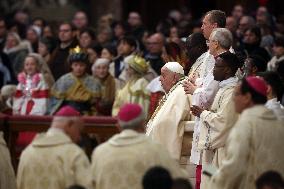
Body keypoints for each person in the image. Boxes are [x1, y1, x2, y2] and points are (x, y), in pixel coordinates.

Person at [208, 77, 284, 189]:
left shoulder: (245, 125)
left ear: (247, 97)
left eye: (236, 94)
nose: (233, 99)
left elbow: (234, 168)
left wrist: (215, 182)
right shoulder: (278, 122)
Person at [91, 103, 186, 189]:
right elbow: (178, 180)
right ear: (143, 124)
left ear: (118, 127)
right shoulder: (156, 150)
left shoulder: (100, 152)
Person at [190, 52, 241, 188]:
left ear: (227, 70)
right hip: (213, 152)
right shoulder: (223, 88)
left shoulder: (231, 92)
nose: (213, 70)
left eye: (217, 66)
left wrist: (203, 113)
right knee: (208, 182)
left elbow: (224, 121)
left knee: (217, 185)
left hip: (222, 151)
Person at [17, 106, 93, 189]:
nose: (79, 137)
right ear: (70, 124)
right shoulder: (74, 154)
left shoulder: (27, 153)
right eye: (79, 131)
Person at [146, 62, 190, 161]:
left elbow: (166, 122)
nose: (159, 79)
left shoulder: (180, 92)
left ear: (174, 78)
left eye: (163, 75)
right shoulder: (174, 91)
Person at [49, 46, 101, 115]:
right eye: (75, 65)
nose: (78, 68)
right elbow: (55, 101)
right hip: (67, 113)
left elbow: (95, 103)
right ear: (71, 66)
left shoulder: (93, 81)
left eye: (81, 65)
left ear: (86, 66)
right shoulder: (64, 80)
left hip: (86, 114)